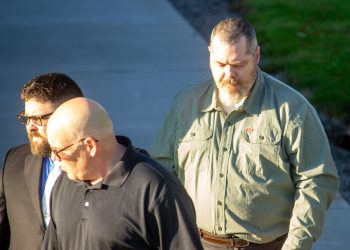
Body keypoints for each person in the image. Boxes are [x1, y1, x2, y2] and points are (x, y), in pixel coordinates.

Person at [150, 17, 339, 250]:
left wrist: (296, 245)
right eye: (219, 64)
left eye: (238, 64)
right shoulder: (185, 105)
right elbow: (161, 173)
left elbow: (316, 180)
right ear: (209, 54)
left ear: (256, 56)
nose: (228, 74)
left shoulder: (291, 109)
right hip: (195, 243)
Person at [41, 97, 203, 250]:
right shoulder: (62, 184)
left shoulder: (155, 188)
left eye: (58, 150)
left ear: (90, 146)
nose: (54, 158)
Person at [0, 73, 84, 250]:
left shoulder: (104, 165)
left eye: (40, 119)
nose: (30, 126)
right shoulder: (14, 161)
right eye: (26, 118)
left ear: (71, 114)